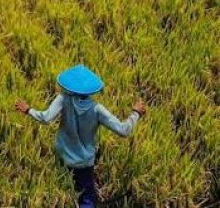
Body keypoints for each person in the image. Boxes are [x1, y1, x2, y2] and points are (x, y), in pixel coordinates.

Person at [15, 65, 147, 208]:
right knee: (86, 198)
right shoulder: (97, 109)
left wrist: (28, 109)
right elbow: (123, 130)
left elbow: (46, 118)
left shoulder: (63, 99)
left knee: (61, 191)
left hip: (62, 158)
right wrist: (135, 113)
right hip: (84, 163)